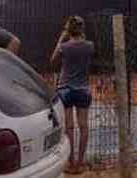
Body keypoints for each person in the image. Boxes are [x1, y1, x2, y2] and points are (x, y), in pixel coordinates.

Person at [50, 16, 95, 174]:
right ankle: (80, 163)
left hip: (65, 89)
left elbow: (53, 60)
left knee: (69, 127)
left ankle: (71, 162)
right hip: (83, 89)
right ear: (82, 29)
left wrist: (62, 38)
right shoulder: (90, 46)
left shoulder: (64, 47)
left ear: (68, 30)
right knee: (83, 126)